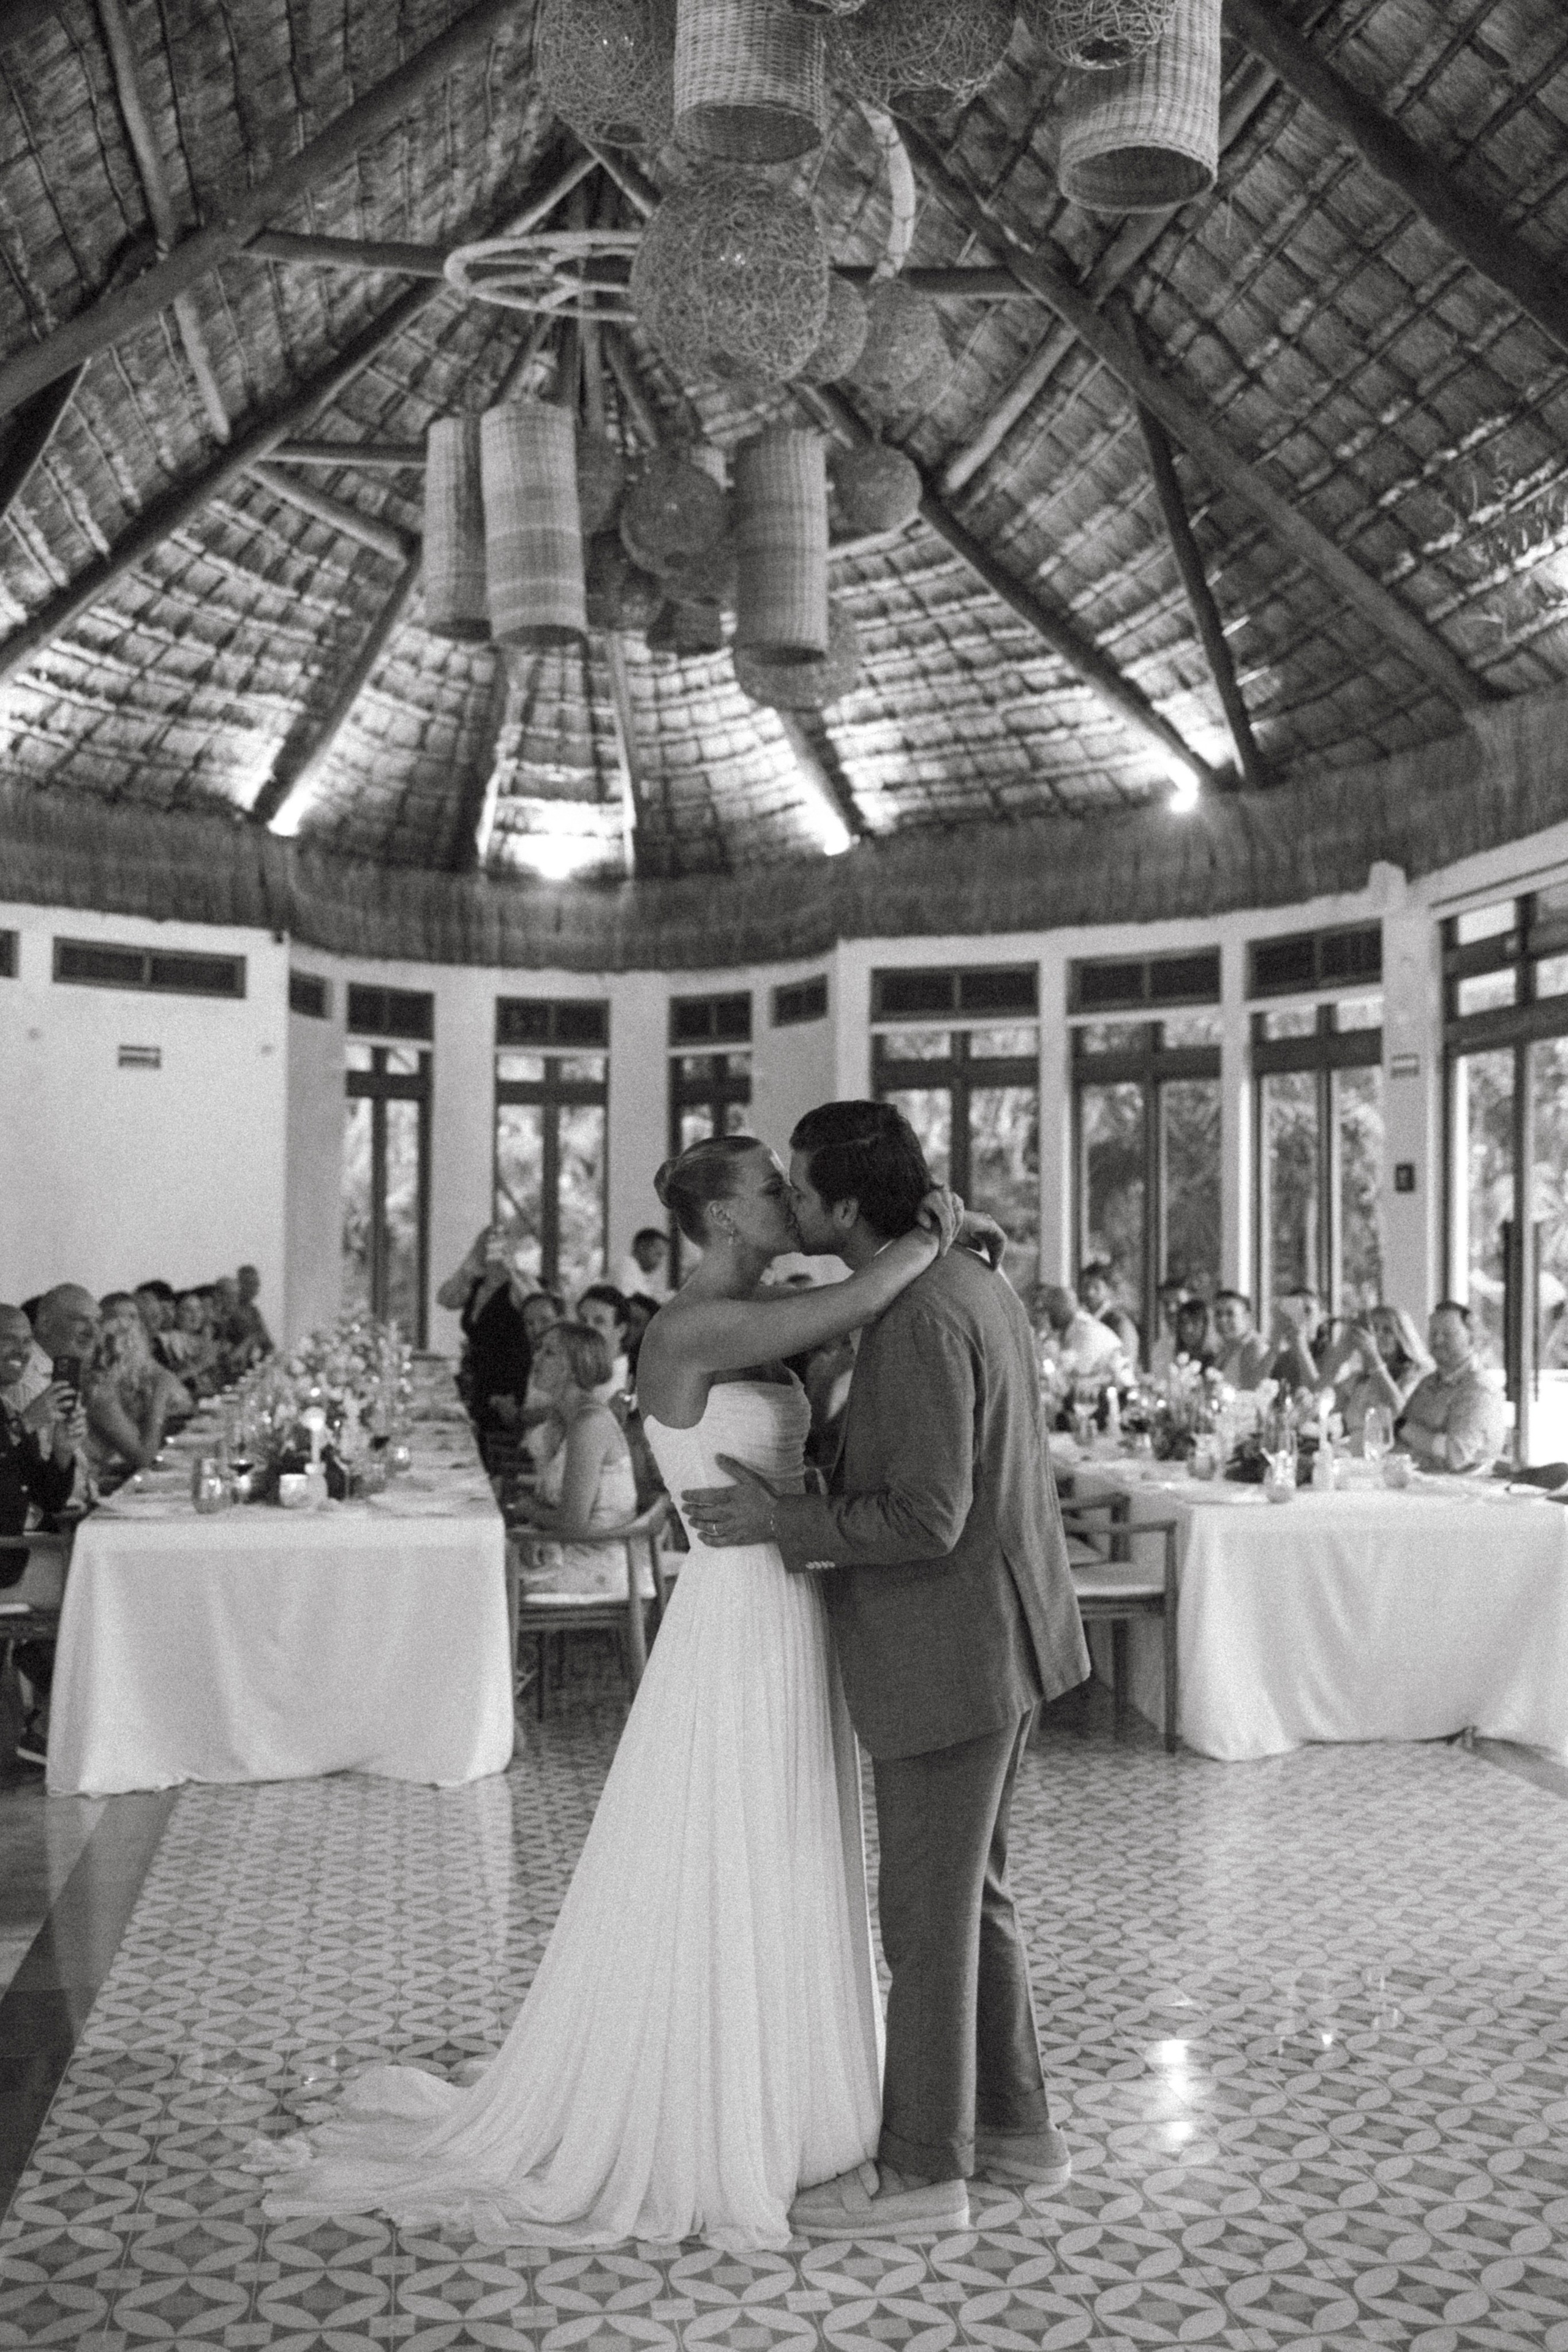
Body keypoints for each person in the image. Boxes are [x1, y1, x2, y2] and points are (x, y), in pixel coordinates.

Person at [256, 1129, 971, 2250]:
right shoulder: (690, 1326)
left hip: (792, 1601)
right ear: (726, 1220)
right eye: (771, 1189)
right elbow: (878, 1286)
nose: (792, 1197)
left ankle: (802, 2101)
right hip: (735, 1617)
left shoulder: (764, 1308)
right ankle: (723, 2114)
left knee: (789, 1841)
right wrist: (937, 1228)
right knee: (732, 1842)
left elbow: (834, 1388)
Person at [685, 1099, 1089, 2242]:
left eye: (803, 1190)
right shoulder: (969, 1278)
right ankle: (1018, 2133)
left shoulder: (918, 1315)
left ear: (850, 1205)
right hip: (1005, 1638)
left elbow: (926, 1511)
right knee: (974, 1901)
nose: (794, 1207)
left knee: (923, 1916)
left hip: (953, 1650)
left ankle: (922, 2173)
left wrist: (788, 1519)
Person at [0, 1305, 82, 1769]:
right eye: (7, 1339)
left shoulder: (8, 1407)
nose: (21, 1350)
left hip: (20, 1551)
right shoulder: (16, 1415)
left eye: (25, 1341)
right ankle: (51, 1727)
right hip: (10, 1559)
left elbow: (49, 1495)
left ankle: (50, 1720)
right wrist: (23, 1427)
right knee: (91, 1585)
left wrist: (64, 1453)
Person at [505, 1323, 641, 1595]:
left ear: (575, 1366)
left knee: (479, 1573)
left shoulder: (589, 1423)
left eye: (549, 1353)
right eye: (539, 1350)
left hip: (595, 1563)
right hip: (564, 1548)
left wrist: (523, 1509)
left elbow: (573, 1524)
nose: (536, 1359)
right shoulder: (562, 1419)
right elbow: (555, 1502)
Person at [436, 1227, 536, 1432]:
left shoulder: (519, 1284)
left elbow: (537, 1308)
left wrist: (512, 1270)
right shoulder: (476, 1285)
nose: (494, 1252)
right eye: (488, 1245)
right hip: (478, 1378)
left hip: (508, 1381)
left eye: (500, 1245)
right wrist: (470, 1262)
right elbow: (445, 1299)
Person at [83, 1295, 189, 1482]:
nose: (127, 1325)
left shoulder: (131, 1371)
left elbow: (184, 1402)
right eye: (118, 1318)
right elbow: (143, 1457)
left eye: (133, 1317)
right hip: (94, 1486)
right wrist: (159, 1395)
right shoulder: (97, 1384)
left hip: (112, 1474)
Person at [1398, 1302, 1508, 1474]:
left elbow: (1456, 1455)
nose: (1438, 1340)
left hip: (1460, 1494)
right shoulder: (1428, 1382)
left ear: (1472, 1338)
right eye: (1433, 1333)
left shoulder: (1479, 1390)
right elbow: (1398, 1439)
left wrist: (1406, 1429)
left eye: (1448, 1333)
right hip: (1419, 1486)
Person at [1335, 1305, 1433, 1446]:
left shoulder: (1417, 1376)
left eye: (1387, 1330)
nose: (1378, 1335)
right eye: (1373, 1329)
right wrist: (1340, 1355)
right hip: (1354, 1460)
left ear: (1401, 1337)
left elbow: (1403, 1417)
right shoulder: (1360, 1380)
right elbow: (1322, 1405)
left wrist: (1375, 1360)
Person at [1038, 1284, 1128, 1384]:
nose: (1046, 1316)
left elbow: (1072, 1379)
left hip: (1119, 1392)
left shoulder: (1085, 1330)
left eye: (1049, 1310)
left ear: (1062, 1309)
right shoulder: (1069, 1330)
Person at [1079, 1262, 1140, 1371]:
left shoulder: (1119, 1322)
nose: (1090, 1293)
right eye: (1086, 1286)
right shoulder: (1081, 1319)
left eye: (1096, 1288)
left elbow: (1126, 1365)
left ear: (1108, 1289)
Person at [575, 1285, 632, 1401]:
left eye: (599, 1322)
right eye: (582, 1320)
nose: (587, 1328)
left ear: (621, 1330)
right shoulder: (576, 1369)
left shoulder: (631, 1380)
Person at [1267, 1287, 1328, 1394]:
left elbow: (1321, 1396)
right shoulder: (1283, 1360)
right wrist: (1275, 1340)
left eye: (1307, 1311)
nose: (1302, 1317)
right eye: (1293, 1311)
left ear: (1321, 1317)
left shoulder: (1333, 1354)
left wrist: (1301, 1345)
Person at [1211, 1291, 1270, 1390]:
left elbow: (1252, 1393)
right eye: (1218, 1314)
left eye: (1230, 1314)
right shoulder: (1225, 1349)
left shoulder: (1254, 1348)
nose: (1222, 1320)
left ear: (1247, 1318)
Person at [616, 1226, 673, 1307]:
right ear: (642, 1248)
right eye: (658, 1254)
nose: (660, 1262)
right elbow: (630, 1306)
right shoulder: (627, 1266)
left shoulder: (639, 1273)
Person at [1147, 1278, 1188, 1381]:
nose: (1171, 1310)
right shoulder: (1160, 1346)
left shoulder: (1205, 1347)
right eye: (1166, 1304)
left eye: (1179, 1304)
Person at [1173, 1295, 1217, 1371]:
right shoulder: (1170, 1356)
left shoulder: (1217, 1362)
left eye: (1195, 1323)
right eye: (1183, 1323)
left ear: (1206, 1326)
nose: (1188, 1329)